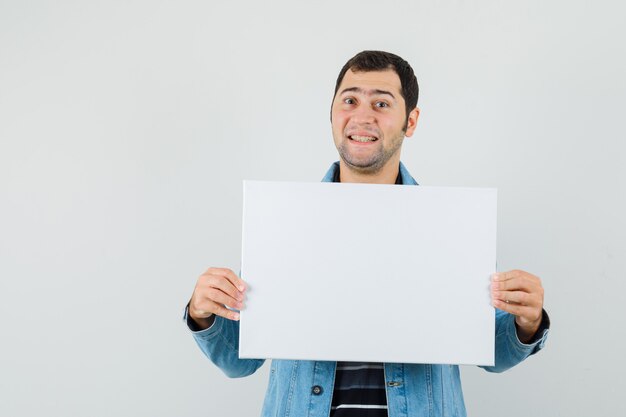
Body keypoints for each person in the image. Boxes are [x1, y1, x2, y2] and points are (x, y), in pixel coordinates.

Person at [184, 50, 550, 417]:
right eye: (350, 100)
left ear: (411, 121)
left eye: (381, 103)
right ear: (331, 113)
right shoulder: (284, 221)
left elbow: (492, 354)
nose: (362, 116)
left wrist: (527, 322)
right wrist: (205, 313)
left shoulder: (451, 226)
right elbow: (239, 361)